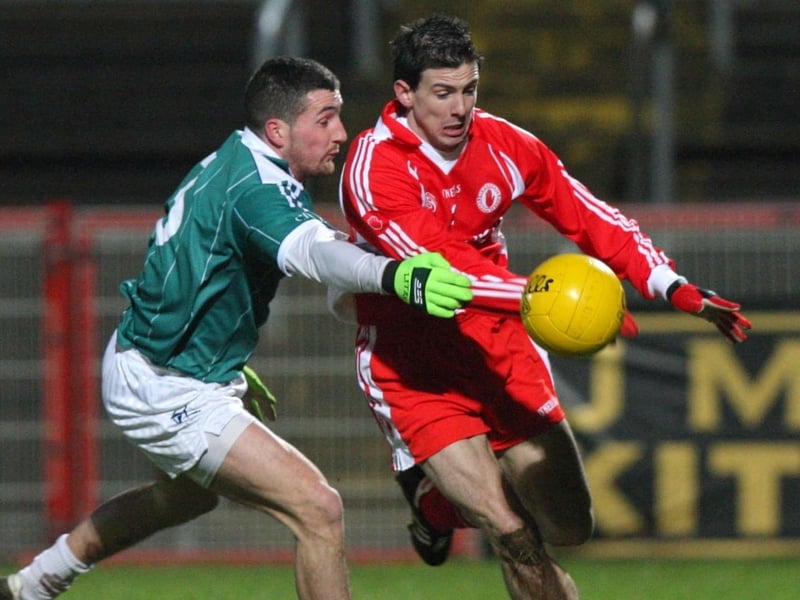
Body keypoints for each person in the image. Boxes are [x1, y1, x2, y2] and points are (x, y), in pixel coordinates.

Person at [0, 56, 473, 600]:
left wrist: (218, 350)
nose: (341, 133)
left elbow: (188, 258)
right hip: (167, 383)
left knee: (184, 497)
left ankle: (33, 584)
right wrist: (396, 276)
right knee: (318, 508)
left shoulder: (235, 160)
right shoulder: (257, 188)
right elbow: (317, 254)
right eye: (324, 120)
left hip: (165, 360)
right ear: (278, 131)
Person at [332, 15, 751, 599]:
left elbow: (588, 214)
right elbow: (447, 270)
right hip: (414, 363)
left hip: (500, 345)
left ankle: (435, 505)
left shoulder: (503, 143)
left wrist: (670, 284)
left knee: (570, 526)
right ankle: (453, 495)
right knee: (514, 532)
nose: (460, 109)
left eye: (469, 90)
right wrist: (548, 299)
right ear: (404, 93)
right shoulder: (373, 167)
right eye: (443, 93)